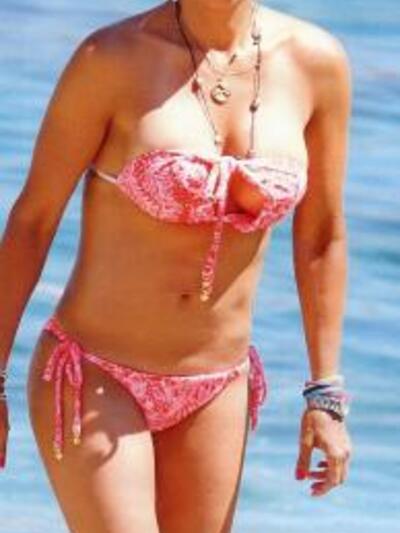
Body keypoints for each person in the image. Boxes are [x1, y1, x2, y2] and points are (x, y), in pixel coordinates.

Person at [0, 0, 353, 531]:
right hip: (96, 374)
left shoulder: (316, 63)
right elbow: (32, 222)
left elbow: (321, 237)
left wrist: (325, 392)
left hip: (218, 386)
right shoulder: (110, 58)